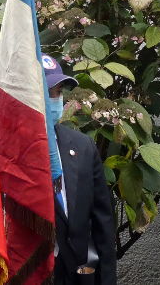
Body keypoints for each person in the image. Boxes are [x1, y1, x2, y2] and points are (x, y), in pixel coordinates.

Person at [42, 54, 117, 285]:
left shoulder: (82, 146)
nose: (56, 100)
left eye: (60, 92)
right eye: (49, 92)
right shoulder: (7, 153)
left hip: (77, 274)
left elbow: (102, 221)